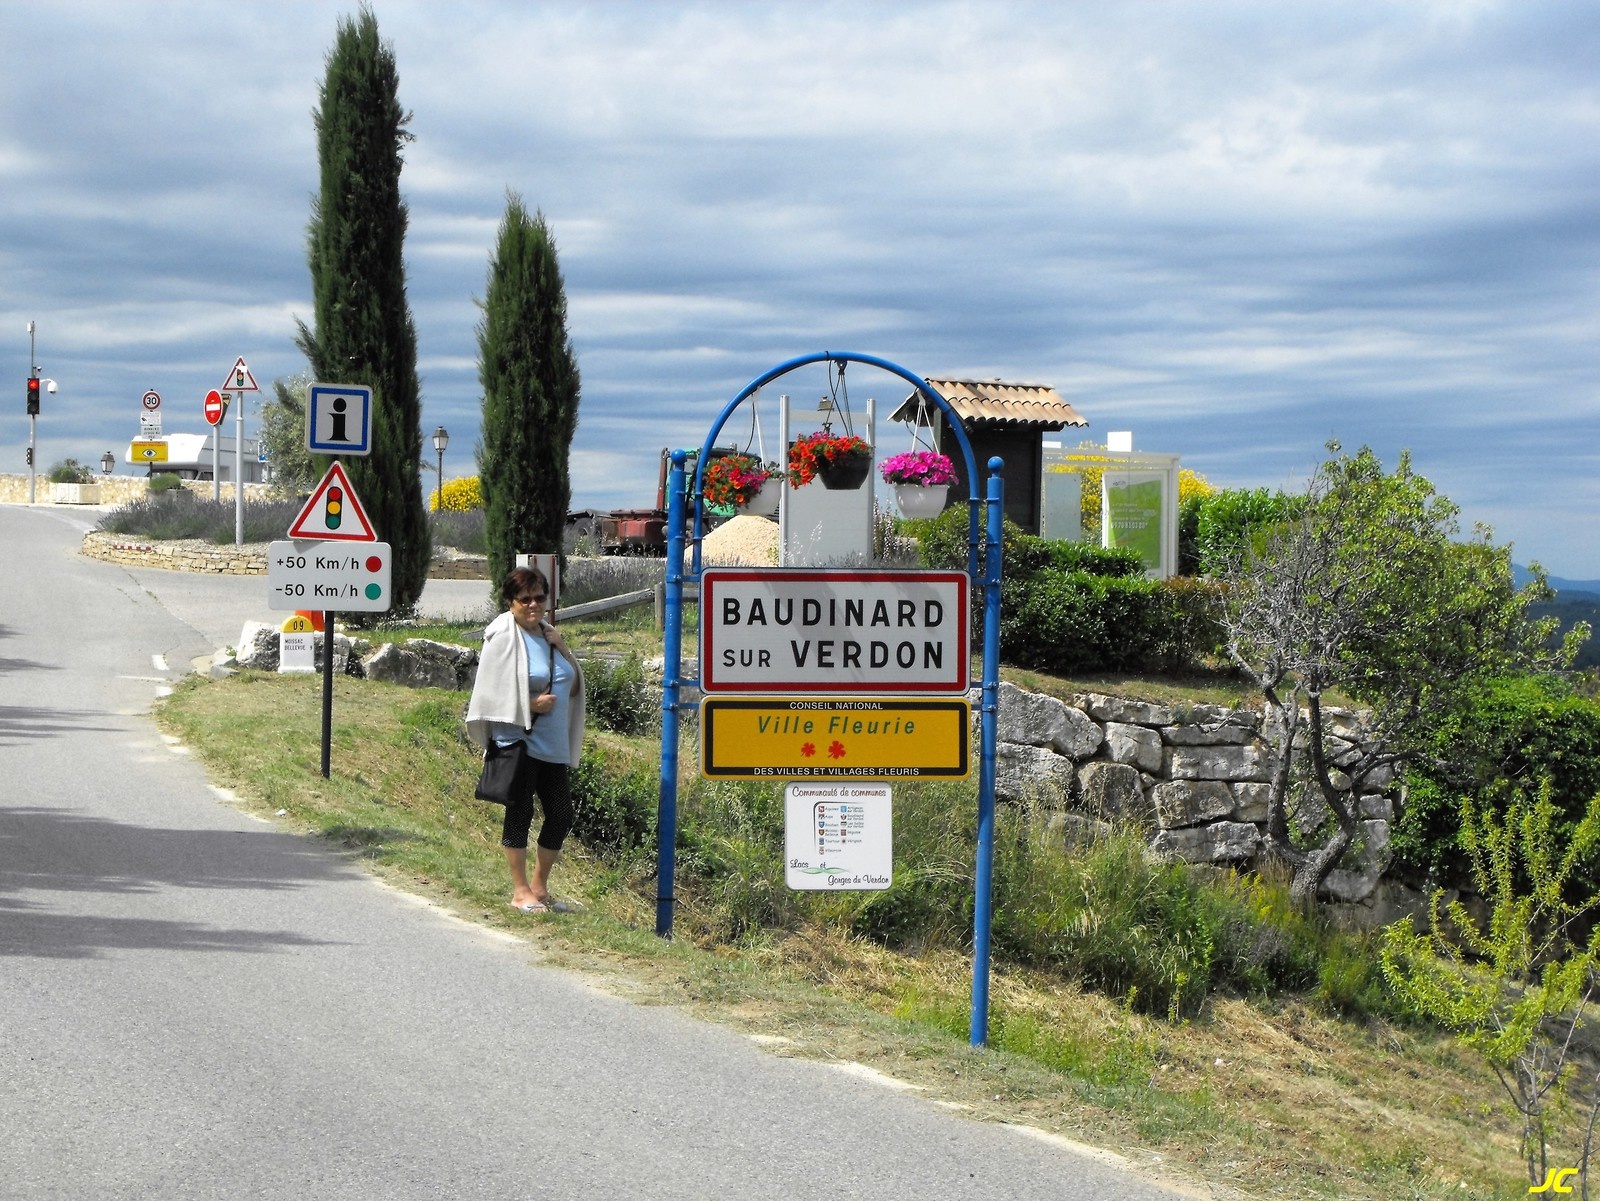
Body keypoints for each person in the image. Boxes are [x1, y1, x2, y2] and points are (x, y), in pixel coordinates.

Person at [465, 566, 585, 913]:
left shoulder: (549, 634)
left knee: (561, 814)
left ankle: (540, 888)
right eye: (525, 599)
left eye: (540, 598)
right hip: (518, 740)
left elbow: (574, 687)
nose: (534, 605)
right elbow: (488, 693)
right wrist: (530, 705)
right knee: (520, 813)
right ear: (510, 602)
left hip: (552, 742)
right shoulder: (501, 636)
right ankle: (520, 892)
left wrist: (563, 648)